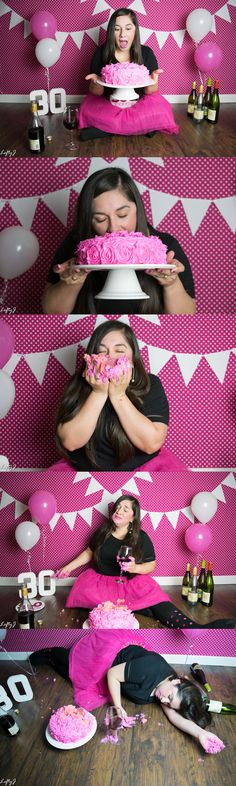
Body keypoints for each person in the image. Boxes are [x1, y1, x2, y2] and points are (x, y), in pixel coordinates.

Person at [56, 494, 235, 629]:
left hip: (129, 581)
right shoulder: (102, 532)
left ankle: (193, 627)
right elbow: (89, 552)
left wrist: (134, 567)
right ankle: (143, 608)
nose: (119, 510)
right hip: (100, 582)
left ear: (133, 517)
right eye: (118, 507)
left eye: (125, 509)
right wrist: (68, 567)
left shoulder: (141, 537)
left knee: (155, 597)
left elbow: (152, 565)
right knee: (93, 600)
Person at [29, 632, 225, 754]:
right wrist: (118, 706)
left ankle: (52, 660)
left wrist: (200, 734)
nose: (163, 701)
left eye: (168, 703)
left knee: (73, 677)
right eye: (169, 697)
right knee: (75, 668)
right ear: (176, 681)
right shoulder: (150, 669)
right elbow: (113, 674)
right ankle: (51, 653)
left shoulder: (167, 694)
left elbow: (175, 716)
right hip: (108, 658)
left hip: (121, 673)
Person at [42, 167, 196, 315]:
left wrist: (171, 284)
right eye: (100, 219)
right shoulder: (77, 245)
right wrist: (70, 282)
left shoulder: (164, 247)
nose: (114, 228)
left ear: (138, 208)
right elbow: (52, 311)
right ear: (88, 219)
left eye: (122, 214)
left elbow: (186, 316)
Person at [55, 319, 177, 472]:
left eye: (119, 351)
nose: (110, 358)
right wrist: (98, 392)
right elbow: (70, 442)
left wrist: (118, 395)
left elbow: (151, 444)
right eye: (101, 352)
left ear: (133, 358)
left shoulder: (150, 383)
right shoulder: (77, 382)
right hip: (85, 470)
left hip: (142, 468)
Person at [78, 8, 179, 139]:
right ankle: (142, 127)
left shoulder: (146, 53)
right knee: (86, 110)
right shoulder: (101, 53)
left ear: (135, 30)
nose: (122, 34)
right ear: (110, 32)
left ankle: (106, 129)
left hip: (139, 104)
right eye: (116, 29)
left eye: (128, 28)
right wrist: (96, 81)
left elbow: (149, 90)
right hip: (109, 103)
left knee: (161, 110)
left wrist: (154, 80)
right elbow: (97, 92)